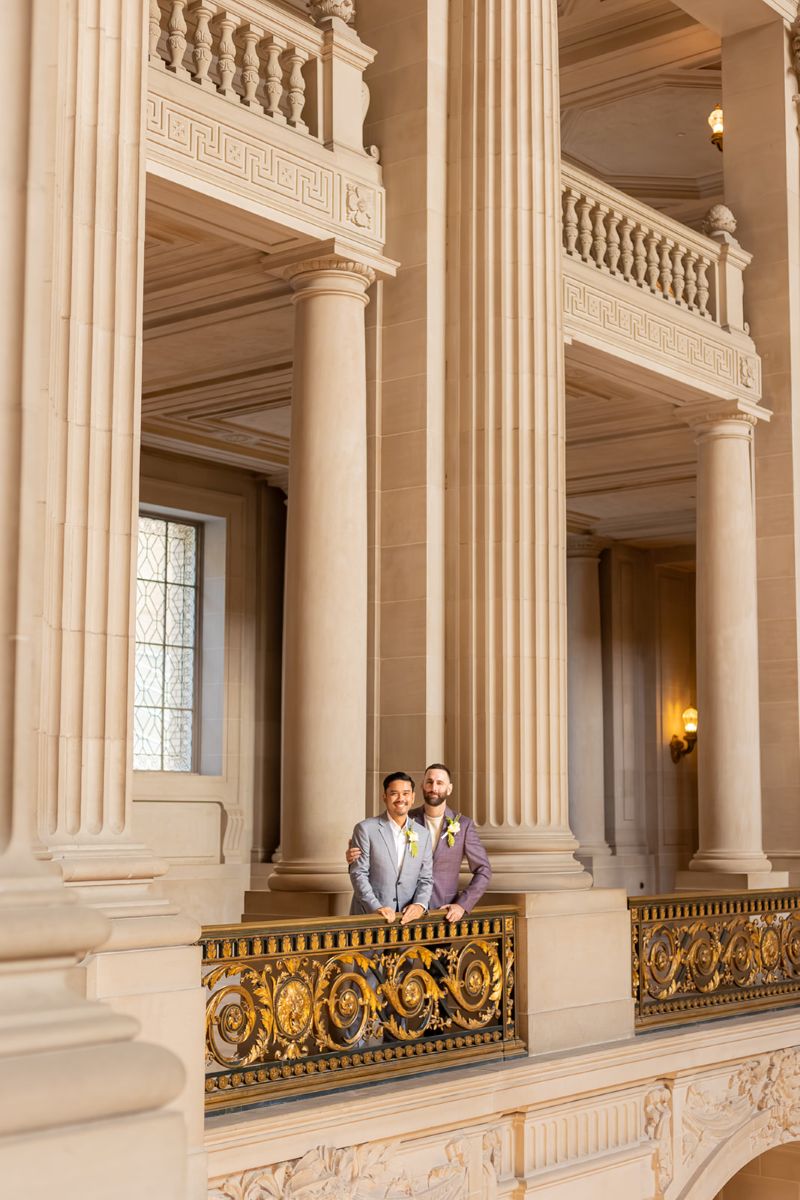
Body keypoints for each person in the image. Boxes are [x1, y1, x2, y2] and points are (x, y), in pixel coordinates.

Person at [347, 763, 491, 922]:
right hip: (398, 911)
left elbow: (483, 870)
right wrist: (354, 857)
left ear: (449, 788)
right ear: (422, 786)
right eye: (429, 782)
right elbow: (374, 852)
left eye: (440, 783)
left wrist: (462, 904)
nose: (433, 787)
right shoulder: (406, 817)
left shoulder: (463, 825)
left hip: (442, 911)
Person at [349, 771, 433, 924]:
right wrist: (376, 907)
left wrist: (420, 905)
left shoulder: (423, 834)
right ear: (384, 797)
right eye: (394, 793)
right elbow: (358, 873)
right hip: (370, 918)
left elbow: (426, 878)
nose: (401, 798)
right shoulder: (365, 829)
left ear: (413, 797)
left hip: (407, 921)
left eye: (406, 793)